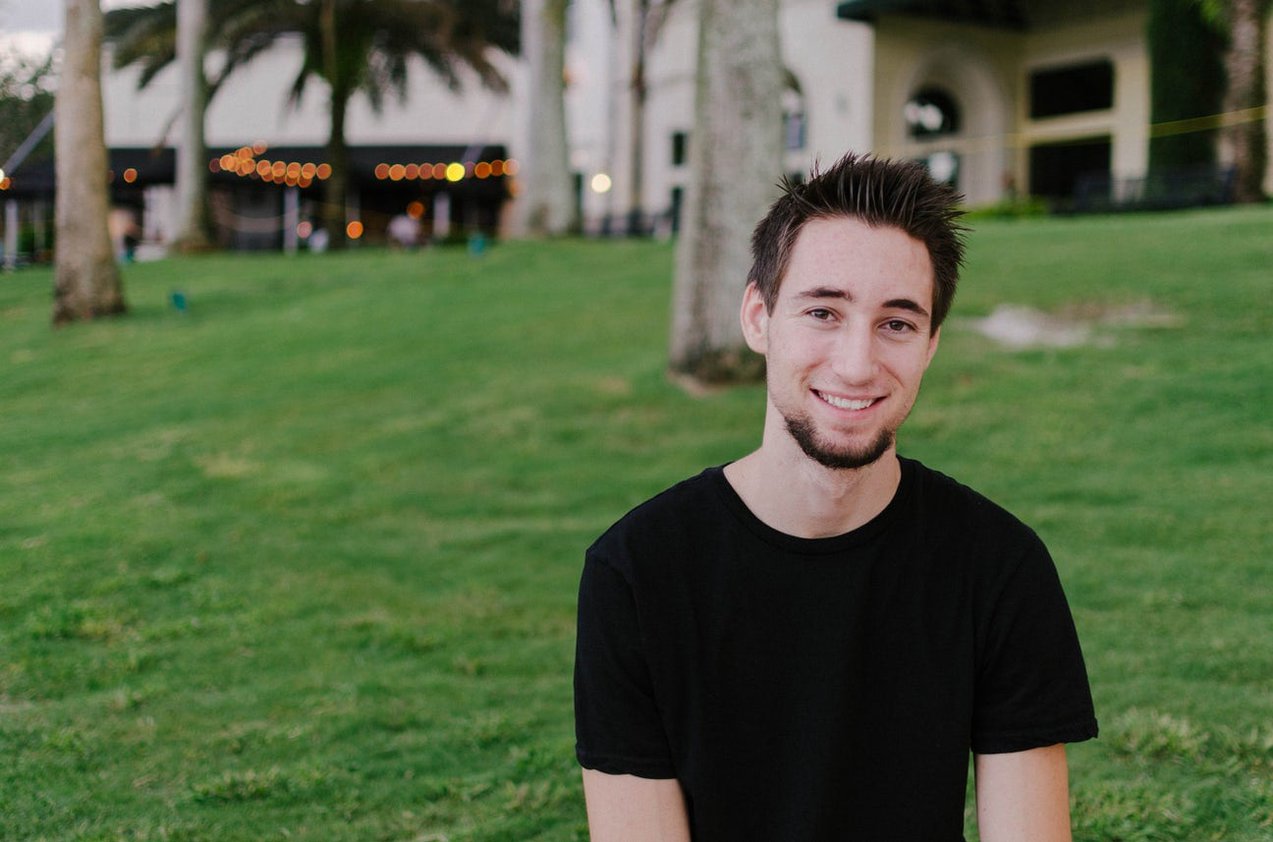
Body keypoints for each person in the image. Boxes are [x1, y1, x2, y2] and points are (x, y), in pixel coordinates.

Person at [574, 152, 1098, 841]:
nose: (856, 364)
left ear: (930, 345)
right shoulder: (637, 572)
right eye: (823, 312)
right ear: (758, 317)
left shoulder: (998, 566)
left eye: (897, 323)